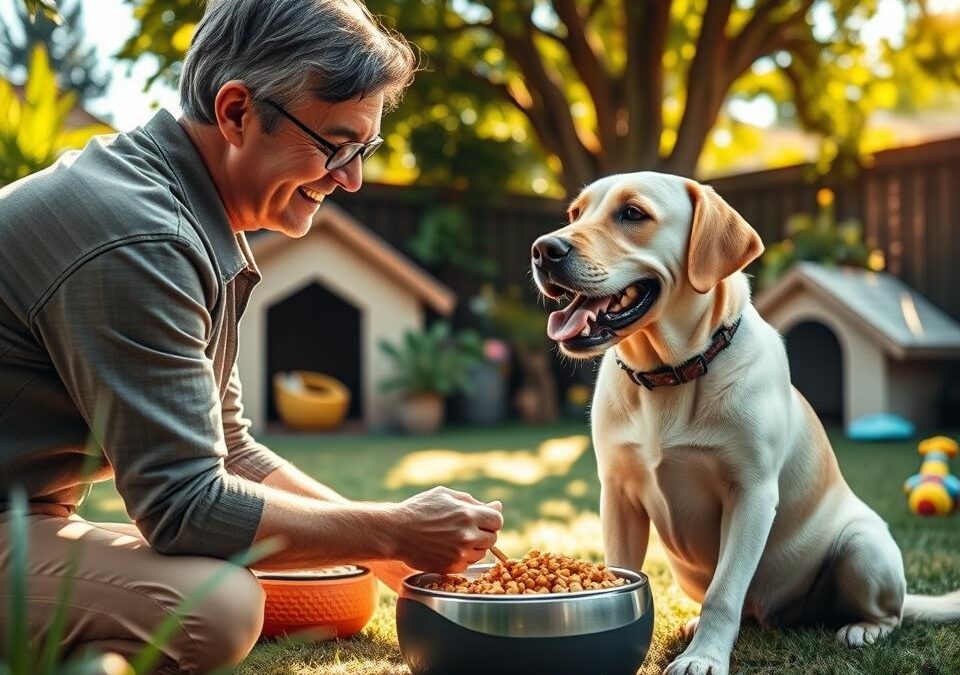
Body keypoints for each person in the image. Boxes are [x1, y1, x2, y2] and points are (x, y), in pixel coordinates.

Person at [0, 1, 503, 672]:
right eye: (335, 144)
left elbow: (230, 450)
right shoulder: (140, 237)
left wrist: (393, 555)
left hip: (27, 517)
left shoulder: (185, 212)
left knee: (308, 583)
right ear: (237, 112)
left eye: (364, 150)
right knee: (215, 606)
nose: (352, 178)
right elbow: (183, 505)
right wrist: (393, 528)